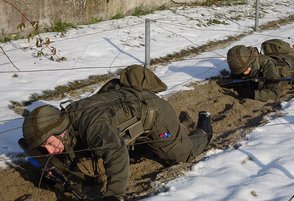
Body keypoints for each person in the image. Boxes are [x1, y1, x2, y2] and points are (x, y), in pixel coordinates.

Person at [21, 65, 213, 200]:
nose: (50, 150)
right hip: (125, 112)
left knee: (181, 156)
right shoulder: (65, 120)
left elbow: (116, 153)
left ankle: (205, 128)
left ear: (60, 130)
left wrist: (113, 195)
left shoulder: (91, 125)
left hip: (155, 114)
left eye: (50, 143)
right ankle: (144, 148)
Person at [225, 39, 294, 102]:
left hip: (293, 69)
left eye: (245, 70)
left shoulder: (267, 65)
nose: (243, 73)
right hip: (276, 59)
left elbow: (275, 93)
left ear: (251, 63)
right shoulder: (241, 64)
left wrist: (252, 94)